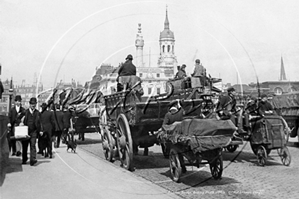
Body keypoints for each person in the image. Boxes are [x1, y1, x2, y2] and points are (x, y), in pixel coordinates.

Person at [22, 97, 41, 166]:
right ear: (29, 104)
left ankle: (32, 159)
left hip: (34, 131)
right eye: (32, 104)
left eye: (34, 104)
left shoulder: (37, 112)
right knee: (25, 146)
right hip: (26, 131)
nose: (33, 105)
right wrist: (20, 123)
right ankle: (24, 159)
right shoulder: (25, 112)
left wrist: (40, 130)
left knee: (33, 145)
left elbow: (40, 122)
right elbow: (18, 119)